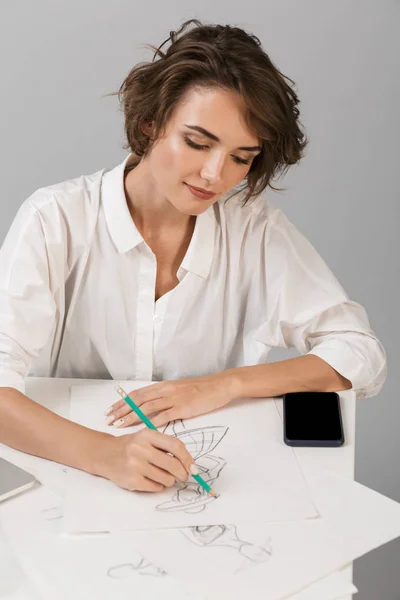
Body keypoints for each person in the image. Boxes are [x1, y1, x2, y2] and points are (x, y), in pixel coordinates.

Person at [0, 20, 387, 493]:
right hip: (69, 483)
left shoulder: (253, 229)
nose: (214, 174)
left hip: (206, 487)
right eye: (198, 142)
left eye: (241, 157)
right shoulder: (54, 219)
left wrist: (226, 384)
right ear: (150, 122)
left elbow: (361, 353)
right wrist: (105, 453)